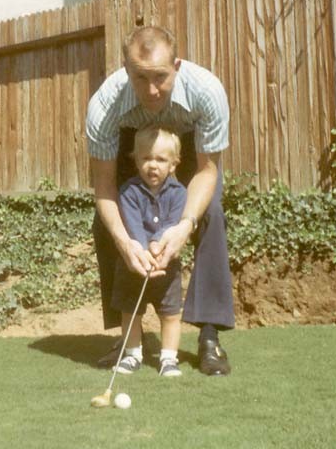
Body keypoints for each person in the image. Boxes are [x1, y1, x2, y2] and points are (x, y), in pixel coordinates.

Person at [86, 25, 234, 376]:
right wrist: (126, 242)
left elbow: (207, 170)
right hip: (132, 148)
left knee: (210, 213)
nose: (151, 90)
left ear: (177, 65)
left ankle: (210, 337)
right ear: (126, 70)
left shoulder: (207, 92)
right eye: (140, 78)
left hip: (186, 153)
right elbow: (104, 186)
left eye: (161, 78)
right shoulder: (105, 105)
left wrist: (184, 226)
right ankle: (128, 339)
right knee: (108, 223)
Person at [112, 125, 186, 377]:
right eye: (146, 158)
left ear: (173, 165)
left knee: (171, 313)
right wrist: (144, 248)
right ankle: (132, 354)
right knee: (131, 311)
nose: (152, 165)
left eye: (161, 160)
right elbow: (131, 225)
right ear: (136, 160)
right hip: (134, 263)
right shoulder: (129, 192)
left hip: (167, 265)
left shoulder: (179, 193)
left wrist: (158, 242)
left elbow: (174, 223)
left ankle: (168, 358)